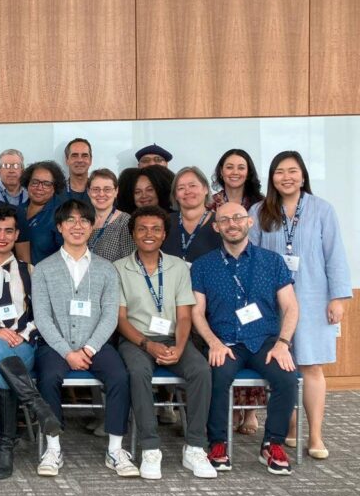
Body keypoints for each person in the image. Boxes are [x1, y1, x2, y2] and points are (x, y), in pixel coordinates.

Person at [249, 151, 351, 460]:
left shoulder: (322, 210)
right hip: (272, 301)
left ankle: (316, 434)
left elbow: (335, 255)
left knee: (311, 366)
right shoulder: (259, 211)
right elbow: (250, 258)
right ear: (272, 178)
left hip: (313, 296)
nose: (286, 177)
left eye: (292, 171)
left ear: (303, 175)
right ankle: (290, 427)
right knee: (280, 365)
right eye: (279, 172)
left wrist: (338, 298)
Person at [191, 202, 299, 475]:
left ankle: (272, 444)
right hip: (225, 342)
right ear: (216, 227)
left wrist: (283, 344)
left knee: (286, 377)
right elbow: (197, 313)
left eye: (238, 217)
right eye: (224, 220)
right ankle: (218, 443)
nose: (232, 223)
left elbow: (290, 307)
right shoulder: (203, 266)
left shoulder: (272, 261)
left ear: (249, 222)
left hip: (266, 341)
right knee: (215, 375)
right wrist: (213, 343)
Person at [31, 199, 137, 478]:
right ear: (59, 227)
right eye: (70, 221)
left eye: (84, 221)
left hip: (96, 343)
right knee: (48, 377)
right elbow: (42, 317)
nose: (77, 226)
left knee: (119, 376)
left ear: (92, 226)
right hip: (57, 345)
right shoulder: (43, 268)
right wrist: (68, 352)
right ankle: (53, 448)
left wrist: (89, 348)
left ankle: (115, 449)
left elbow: (109, 316)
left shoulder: (106, 268)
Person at [114, 207, 216, 479]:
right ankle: (150, 448)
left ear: (165, 234)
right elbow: (121, 319)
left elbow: (185, 315)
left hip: (174, 337)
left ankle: (195, 447)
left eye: (156, 229)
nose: (149, 234)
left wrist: (181, 348)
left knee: (201, 371)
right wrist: (148, 345)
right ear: (133, 234)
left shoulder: (179, 266)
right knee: (137, 372)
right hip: (135, 339)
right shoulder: (119, 268)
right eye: (142, 229)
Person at [0, 207, 61, 479]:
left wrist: (23, 334)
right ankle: (36, 405)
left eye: (9, 231)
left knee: (3, 368)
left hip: (23, 344)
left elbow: (42, 314)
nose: (2, 236)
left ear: (17, 234)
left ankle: (4, 448)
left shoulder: (31, 271)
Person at [163, 166, 221, 264]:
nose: (187, 191)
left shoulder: (222, 222)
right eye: (181, 188)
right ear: (175, 195)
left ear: (206, 189)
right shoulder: (164, 223)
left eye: (192, 185)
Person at [18, 161, 65, 264]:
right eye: (35, 182)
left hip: (48, 277)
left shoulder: (62, 213)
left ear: (54, 187)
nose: (39, 188)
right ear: (28, 183)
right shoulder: (18, 210)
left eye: (46, 184)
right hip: (19, 275)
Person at [86, 168, 134, 262]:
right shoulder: (83, 220)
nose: (101, 194)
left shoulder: (125, 221)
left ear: (116, 191)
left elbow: (129, 263)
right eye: (96, 189)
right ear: (88, 192)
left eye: (107, 189)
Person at [64, 138, 93, 203]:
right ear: (66, 160)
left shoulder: (100, 192)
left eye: (84, 156)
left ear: (90, 160)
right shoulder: (56, 192)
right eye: (74, 156)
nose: (80, 160)